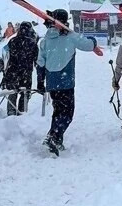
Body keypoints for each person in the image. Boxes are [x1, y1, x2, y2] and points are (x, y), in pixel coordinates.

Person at [38, 8, 103, 155]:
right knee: (67, 113)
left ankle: (56, 138)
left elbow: (40, 62)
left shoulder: (45, 40)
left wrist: (40, 81)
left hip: (52, 82)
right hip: (66, 81)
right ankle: (54, 136)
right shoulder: (71, 37)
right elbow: (87, 45)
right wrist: (93, 41)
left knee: (58, 111)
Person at [0, 22, 39, 115]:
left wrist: (1, 64)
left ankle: (11, 113)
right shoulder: (33, 43)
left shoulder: (12, 41)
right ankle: (21, 113)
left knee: (12, 93)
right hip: (26, 74)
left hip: (12, 72)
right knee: (25, 93)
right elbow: (37, 61)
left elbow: (6, 56)